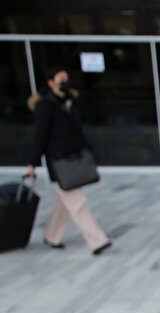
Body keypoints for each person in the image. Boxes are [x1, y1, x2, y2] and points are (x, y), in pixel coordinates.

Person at [25, 68, 111, 255]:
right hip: (59, 162)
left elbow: (77, 130)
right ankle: (97, 241)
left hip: (74, 158)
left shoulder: (69, 102)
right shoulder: (45, 107)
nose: (65, 81)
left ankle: (51, 236)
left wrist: (86, 149)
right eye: (61, 78)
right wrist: (32, 164)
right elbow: (40, 137)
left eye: (66, 78)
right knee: (77, 202)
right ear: (50, 83)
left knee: (64, 202)